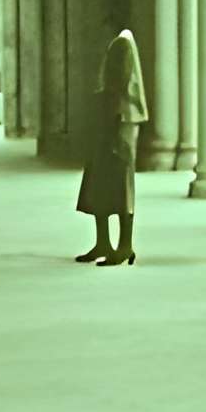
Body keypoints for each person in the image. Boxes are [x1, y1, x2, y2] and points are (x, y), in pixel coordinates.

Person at [75, 25, 148, 267]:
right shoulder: (121, 42)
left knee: (119, 182)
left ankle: (124, 245)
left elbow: (118, 84)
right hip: (117, 118)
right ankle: (105, 243)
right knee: (102, 179)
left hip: (118, 120)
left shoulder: (121, 44)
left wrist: (109, 120)